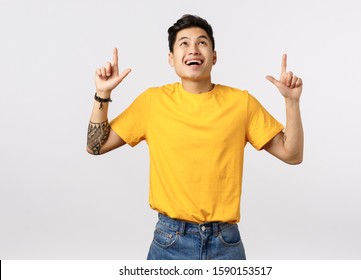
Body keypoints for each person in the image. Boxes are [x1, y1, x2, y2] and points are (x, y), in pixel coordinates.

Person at [86, 14, 303, 260]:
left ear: (214, 56)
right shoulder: (152, 102)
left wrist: (291, 102)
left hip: (226, 243)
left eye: (202, 42)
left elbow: (292, 155)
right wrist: (102, 94)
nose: (193, 49)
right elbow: (96, 146)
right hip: (170, 241)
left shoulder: (241, 103)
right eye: (184, 43)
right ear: (171, 58)